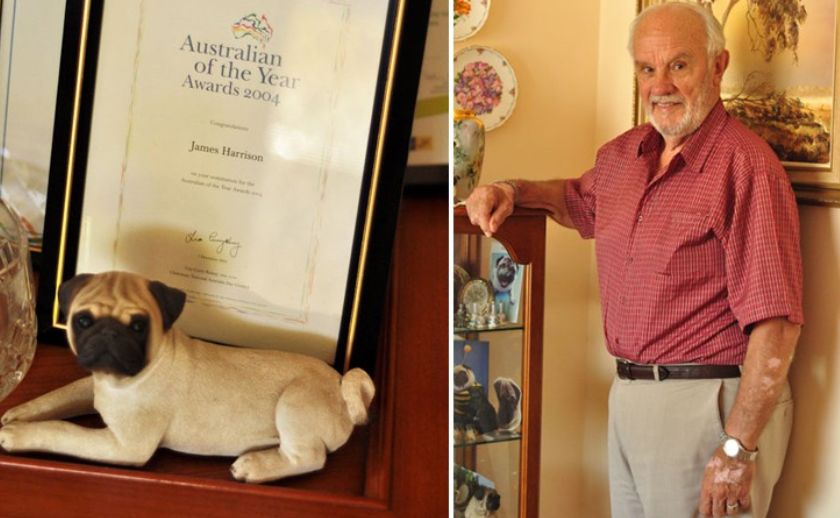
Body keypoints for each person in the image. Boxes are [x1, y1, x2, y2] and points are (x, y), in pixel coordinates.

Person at [464, 2, 803, 518]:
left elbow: (777, 324)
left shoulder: (748, 166)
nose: (660, 85)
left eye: (678, 65)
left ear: (718, 66)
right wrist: (511, 190)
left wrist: (737, 447)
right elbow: (576, 201)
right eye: (647, 68)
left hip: (708, 403)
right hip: (628, 396)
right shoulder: (625, 155)